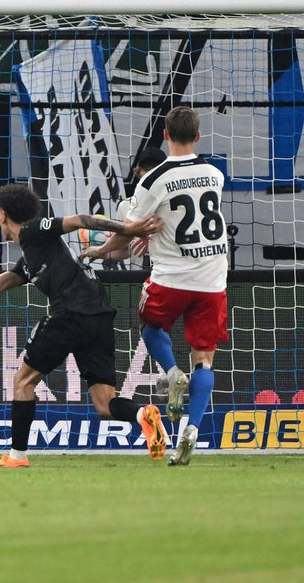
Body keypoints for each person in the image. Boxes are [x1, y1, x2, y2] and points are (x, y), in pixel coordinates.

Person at [0, 183, 167, 468]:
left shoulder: (33, 231)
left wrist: (128, 229)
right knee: (105, 404)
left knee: (23, 381)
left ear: (1, 214)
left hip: (70, 314)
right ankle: (142, 414)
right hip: (99, 317)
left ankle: (17, 456)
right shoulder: (32, 256)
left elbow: (81, 220)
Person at [85, 106, 228, 466]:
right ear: (197, 136)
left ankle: (171, 372)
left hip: (172, 276)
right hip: (212, 277)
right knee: (206, 361)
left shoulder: (154, 180)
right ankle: (191, 430)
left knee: (150, 325)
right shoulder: (214, 174)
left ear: (165, 135)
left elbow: (128, 232)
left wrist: (101, 251)